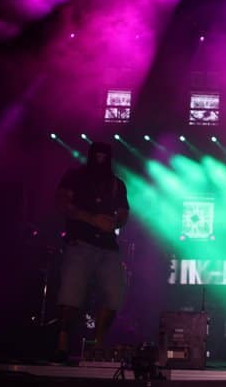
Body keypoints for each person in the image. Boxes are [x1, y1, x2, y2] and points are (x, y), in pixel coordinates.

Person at [53, 142, 129, 362]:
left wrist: (115, 222)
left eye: (105, 156)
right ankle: (62, 345)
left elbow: (124, 213)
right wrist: (92, 219)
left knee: (114, 296)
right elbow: (62, 203)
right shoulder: (74, 177)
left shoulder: (116, 184)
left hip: (108, 247)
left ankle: (97, 345)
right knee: (69, 295)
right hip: (80, 243)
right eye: (97, 155)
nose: (100, 160)